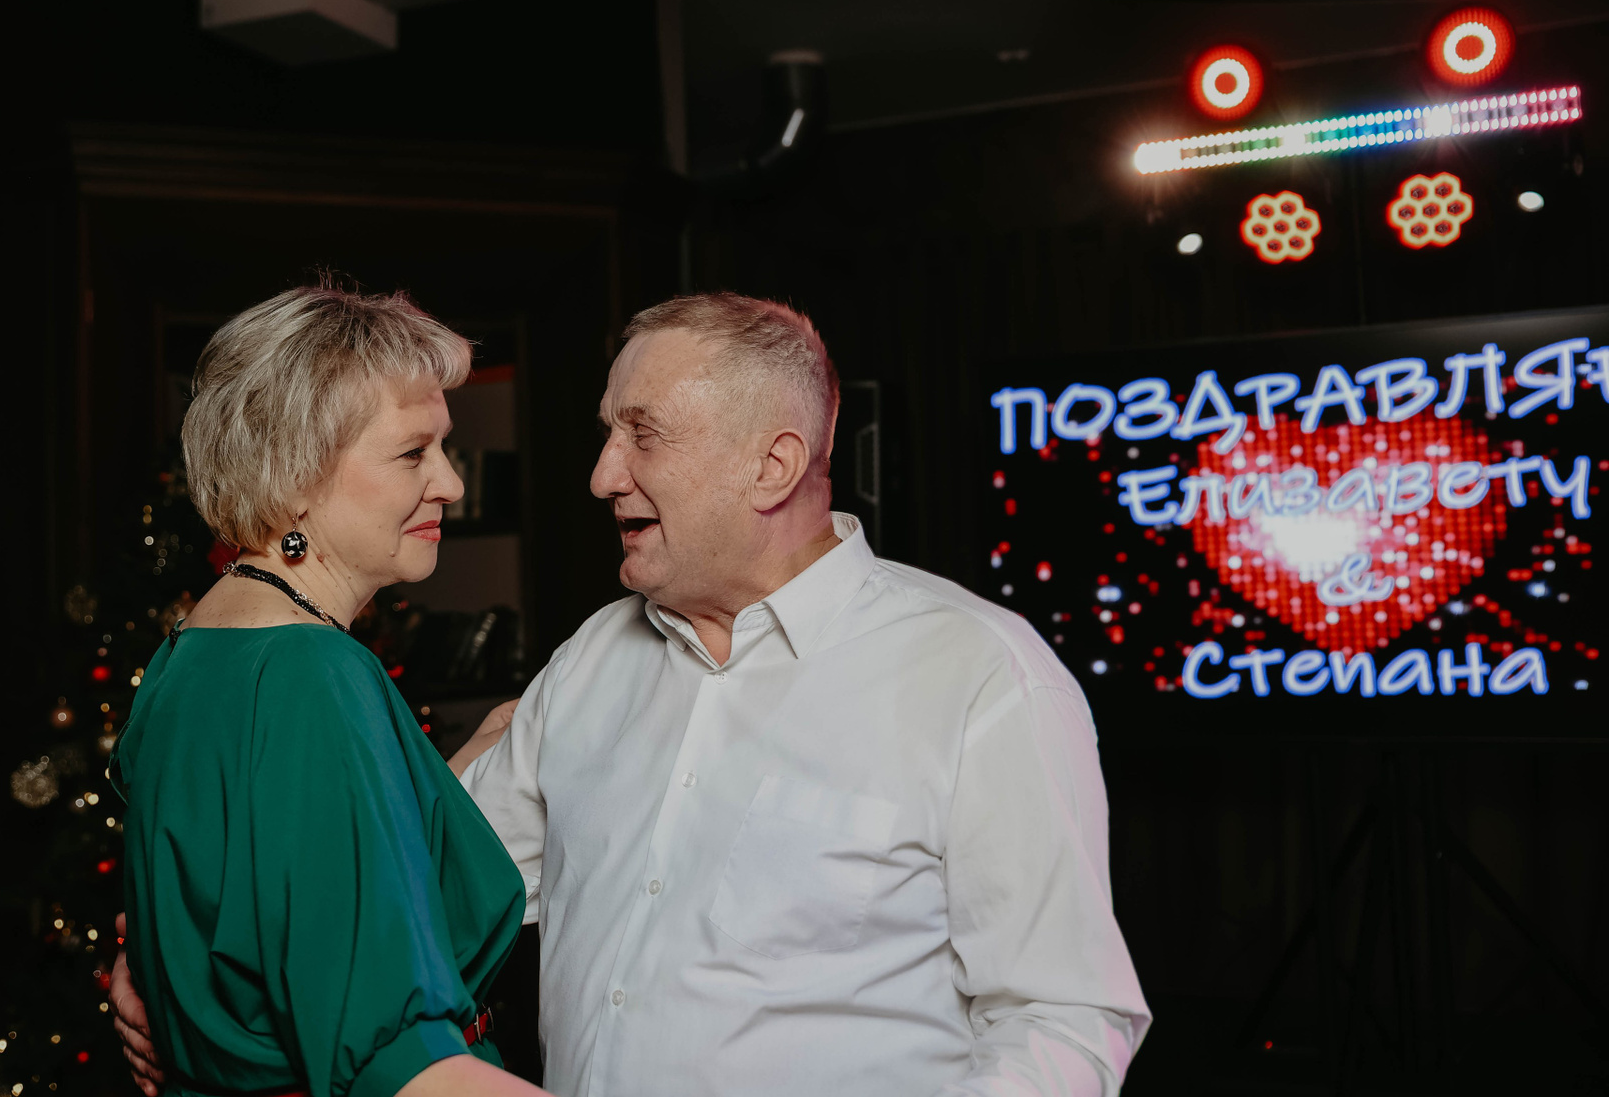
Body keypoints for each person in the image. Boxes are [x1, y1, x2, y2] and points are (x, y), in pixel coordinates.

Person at [119, 292, 1150, 1096]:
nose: (603, 474)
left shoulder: (977, 674)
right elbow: (390, 897)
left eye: (642, 434)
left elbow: (1064, 1018)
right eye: (607, 431)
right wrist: (174, 965)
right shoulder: (591, 664)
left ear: (773, 464)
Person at [107, 284, 551, 1097]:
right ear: (295, 475)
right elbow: (398, 1064)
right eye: (413, 453)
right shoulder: (313, 674)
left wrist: (442, 779)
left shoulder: (192, 650)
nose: (450, 483)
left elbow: (262, 881)